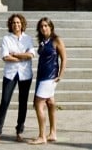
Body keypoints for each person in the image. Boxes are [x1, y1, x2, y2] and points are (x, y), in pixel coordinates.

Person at [0, 13, 35, 143]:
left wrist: (16, 55)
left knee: (23, 103)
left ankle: (19, 132)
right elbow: (5, 57)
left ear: (22, 24)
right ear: (11, 25)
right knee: (5, 101)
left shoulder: (28, 39)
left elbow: (31, 55)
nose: (16, 25)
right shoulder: (6, 39)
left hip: (25, 74)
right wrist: (22, 57)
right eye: (14, 23)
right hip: (10, 74)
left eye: (18, 23)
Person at [29, 17, 66, 145]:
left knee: (39, 104)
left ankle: (42, 136)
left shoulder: (57, 40)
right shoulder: (43, 41)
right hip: (42, 76)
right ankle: (53, 133)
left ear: (51, 27)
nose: (43, 28)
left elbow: (64, 58)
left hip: (49, 77)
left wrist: (60, 75)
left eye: (46, 25)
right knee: (50, 103)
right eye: (41, 26)